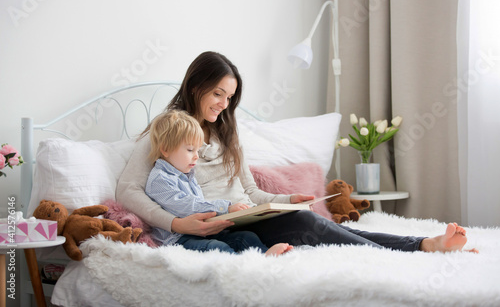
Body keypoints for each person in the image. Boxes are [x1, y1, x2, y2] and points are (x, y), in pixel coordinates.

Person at [117, 51, 477, 254]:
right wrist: (176, 223)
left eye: (229, 98)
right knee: (312, 226)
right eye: (217, 95)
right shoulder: (169, 130)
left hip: (249, 216)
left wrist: (289, 198)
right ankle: (421, 247)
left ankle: (422, 244)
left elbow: (252, 194)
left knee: (311, 220)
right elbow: (128, 191)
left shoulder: (227, 131)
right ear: (196, 86)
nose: (223, 105)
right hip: (213, 226)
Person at [145, 109, 293, 256]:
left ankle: (265, 256)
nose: (196, 157)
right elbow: (187, 205)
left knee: (246, 237)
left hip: (201, 233)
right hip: (178, 239)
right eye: (190, 150)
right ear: (165, 149)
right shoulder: (160, 179)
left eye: (197, 150)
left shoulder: (188, 175)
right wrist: (225, 207)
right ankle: (243, 267)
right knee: (217, 248)